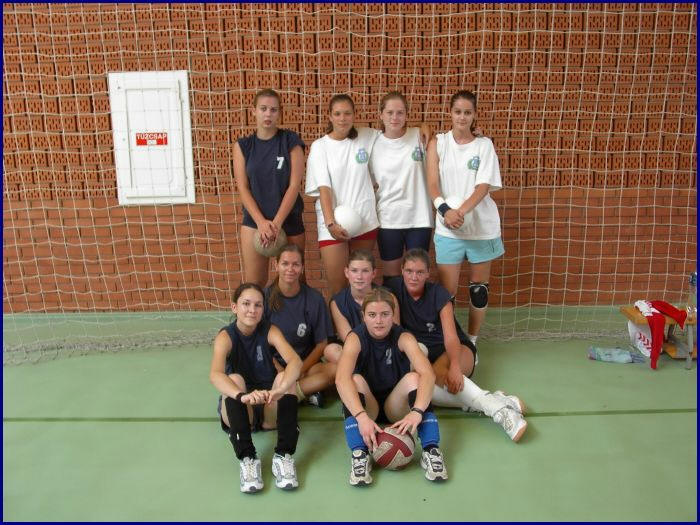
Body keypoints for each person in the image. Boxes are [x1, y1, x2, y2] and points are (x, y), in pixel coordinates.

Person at [384, 249, 527, 442]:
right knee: (422, 386)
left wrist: (455, 366)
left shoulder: (438, 294)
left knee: (437, 376)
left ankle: (500, 412)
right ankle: (494, 402)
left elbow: (451, 337)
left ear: (428, 274)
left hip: (455, 348)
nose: (414, 277)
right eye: (409, 271)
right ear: (402, 270)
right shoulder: (393, 290)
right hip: (424, 354)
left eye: (420, 272)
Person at [335, 287, 448, 486]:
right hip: (368, 409)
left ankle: (431, 450)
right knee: (354, 380)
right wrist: (361, 417)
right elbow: (341, 380)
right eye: (372, 315)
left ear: (393, 315)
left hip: (395, 408)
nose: (379, 320)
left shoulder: (403, 337)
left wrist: (417, 412)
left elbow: (428, 374)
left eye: (385, 314)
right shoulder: (355, 338)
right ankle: (360, 454)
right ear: (363, 316)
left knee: (415, 378)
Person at [426, 90, 504, 348]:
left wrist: (460, 212)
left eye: (467, 112)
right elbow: (432, 184)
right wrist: (445, 210)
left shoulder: (484, 145)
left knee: (478, 290)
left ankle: (472, 342)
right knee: (446, 294)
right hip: (448, 228)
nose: (462, 117)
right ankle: (450, 343)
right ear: (450, 113)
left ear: (474, 115)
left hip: (480, 228)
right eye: (458, 111)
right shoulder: (439, 143)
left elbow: (483, 186)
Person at [209, 283, 303, 493]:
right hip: (242, 408)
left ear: (263, 309)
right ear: (234, 307)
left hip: (269, 406)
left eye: (258, 305)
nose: (252, 310)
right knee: (234, 378)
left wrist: (280, 389)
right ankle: (248, 458)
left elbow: (295, 361)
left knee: (285, 377)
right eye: (246, 304)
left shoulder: (270, 330)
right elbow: (215, 374)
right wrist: (241, 396)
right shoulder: (226, 336)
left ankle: (283, 455)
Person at [304, 94, 382, 297]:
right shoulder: (320, 146)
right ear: (329, 116)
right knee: (338, 288)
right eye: (337, 114)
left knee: (361, 286)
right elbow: (324, 188)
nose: (342, 118)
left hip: (364, 220)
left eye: (347, 113)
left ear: (354, 115)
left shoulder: (367, 136)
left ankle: (362, 319)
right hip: (332, 224)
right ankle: (337, 320)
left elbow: (396, 135)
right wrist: (331, 224)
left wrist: (423, 128)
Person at [233, 89, 306, 287]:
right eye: (263, 109)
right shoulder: (243, 146)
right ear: (253, 111)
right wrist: (261, 223)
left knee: (295, 281)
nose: (268, 114)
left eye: (273, 110)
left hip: (288, 220)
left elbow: (294, 185)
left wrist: (276, 223)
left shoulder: (290, 141)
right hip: (254, 222)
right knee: (254, 283)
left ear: (279, 112)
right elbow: (243, 188)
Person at [369, 91, 434, 281]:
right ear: (381, 115)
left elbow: (448, 143)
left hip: (419, 218)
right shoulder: (372, 142)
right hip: (388, 219)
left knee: (417, 277)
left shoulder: (419, 136)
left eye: (400, 112)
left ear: (407, 115)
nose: (395, 117)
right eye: (389, 112)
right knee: (392, 278)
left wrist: (475, 135)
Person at [264, 244, 336, 408]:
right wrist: (282, 372)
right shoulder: (263, 297)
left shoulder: (314, 299)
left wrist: (299, 370)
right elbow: (258, 342)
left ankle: (286, 395)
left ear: (302, 268)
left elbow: (322, 344)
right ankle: (301, 393)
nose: (290, 269)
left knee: (335, 370)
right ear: (276, 265)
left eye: (296, 264)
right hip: (273, 366)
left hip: (304, 367)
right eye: (285, 263)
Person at [324, 249, 399, 364]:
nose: (359, 277)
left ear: (373, 273)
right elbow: (349, 339)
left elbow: (395, 333)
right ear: (346, 272)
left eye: (365, 271)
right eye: (354, 271)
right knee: (331, 350)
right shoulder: (337, 302)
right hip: (358, 352)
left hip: (385, 349)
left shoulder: (389, 297)